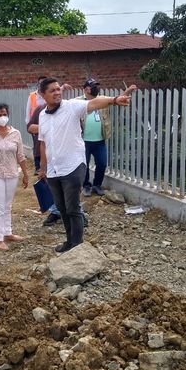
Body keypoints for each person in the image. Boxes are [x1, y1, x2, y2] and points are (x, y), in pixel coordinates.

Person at [38, 77, 136, 253]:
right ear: (42, 95)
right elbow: (43, 143)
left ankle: (77, 246)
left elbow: (94, 102)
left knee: (72, 207)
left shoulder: (71, 106)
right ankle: (70, 241)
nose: (57, 92)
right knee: (62, 208)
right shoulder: (42, 115)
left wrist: (114, 100)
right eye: (52, 90)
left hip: (73, 167)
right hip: (53, 171)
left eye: (58, 89)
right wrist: (43, 168)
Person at [27, 103, 87, 228]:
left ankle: (78, 214)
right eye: (51, 92)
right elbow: (30, 127)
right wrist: (47, 127)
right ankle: (55, 212)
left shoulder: (69, 109)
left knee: (71, 191)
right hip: (47, 157)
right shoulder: (41, 111)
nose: (56, 94)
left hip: (67, 159)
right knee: (54, 189)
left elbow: (79, 128)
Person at [0, 103, 29, 250]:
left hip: (12, 173)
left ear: (8, 115)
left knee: (8, 205)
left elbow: (20, 156)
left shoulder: (16, 133)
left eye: (4, 114)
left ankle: (7, 232)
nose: (2, 117)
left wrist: (25, 174)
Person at [79, 78, 111, 197]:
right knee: (84, 165)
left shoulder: (102, 100)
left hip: (100, 140)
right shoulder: (78, 102)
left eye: (96, 86)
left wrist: (127, 92)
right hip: (84, 141)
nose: (96, 89)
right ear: (85, 89)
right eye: (93, 87)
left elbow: (116, 99)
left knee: (102, 163)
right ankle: (86, 186)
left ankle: (97, 185)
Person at [25, 76, 47, 174]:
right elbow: (28, 110)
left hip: (46, 124)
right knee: (37, 146)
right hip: (35, 125)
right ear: (38, 84)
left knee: (45, 144)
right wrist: (29, 125)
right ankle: (38, 167)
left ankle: (44, 166)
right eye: (40, 83)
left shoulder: (47, 94)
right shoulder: (32, 96)